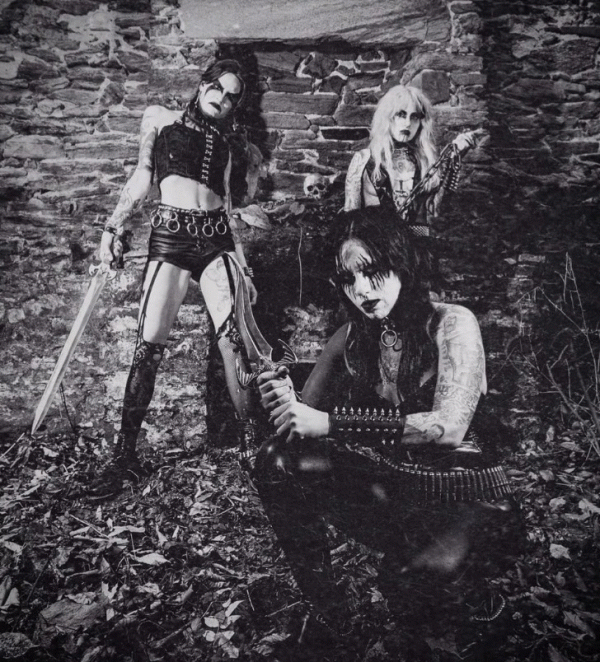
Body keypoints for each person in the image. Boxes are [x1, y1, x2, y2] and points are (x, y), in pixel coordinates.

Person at [254, 207, 523, 656]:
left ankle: (483, 605)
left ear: (402, 263)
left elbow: (449, 427)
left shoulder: (452, 322)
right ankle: (332, 615)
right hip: (401, 491)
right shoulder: (349, 338)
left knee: (407, 587)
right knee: (276, 459)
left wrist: (330, 422)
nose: (361, 289)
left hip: (470, 497)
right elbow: (302, 423)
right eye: (348, 278)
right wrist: (282, 401)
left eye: (373, 271)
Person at [91, 59, 259, 496]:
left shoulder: (226, 145)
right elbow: (143, 175)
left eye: (232, 98)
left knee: (234, 341)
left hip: (218, 239)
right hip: (173, 233)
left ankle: (253, 448)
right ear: (203, 84)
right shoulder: (159, 118)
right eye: (218, 88)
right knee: (149, 346)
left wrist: (244, 267)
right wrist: (113, 226)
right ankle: (124, 456)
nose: (222, 100)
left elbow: (226, 208)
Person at [344, 84, 479, 239]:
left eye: (414, 117)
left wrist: (455, 158)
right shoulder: (364, 159)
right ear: (387, 117)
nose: (407, 123)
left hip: (418, 245)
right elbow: (350, 217)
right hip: (377, 244)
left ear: (422, 123)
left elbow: (435, 210)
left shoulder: (425, 161)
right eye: (401, 115)